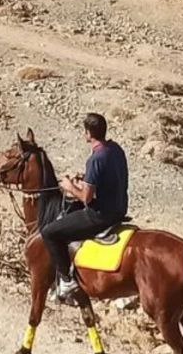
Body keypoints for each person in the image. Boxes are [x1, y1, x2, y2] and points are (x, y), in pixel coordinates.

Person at [43, 113, 130, 303]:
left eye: (85, 131)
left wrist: (69, 186)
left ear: (88, 133)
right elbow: (108, 178)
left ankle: (66, 280)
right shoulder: (115, 149)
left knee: (50, 232)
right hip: (120, 209)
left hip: (100, 215)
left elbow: (86, 197)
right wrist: (87, 178)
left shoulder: (96, 158)